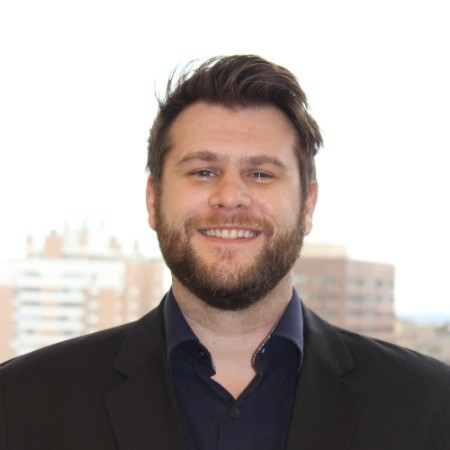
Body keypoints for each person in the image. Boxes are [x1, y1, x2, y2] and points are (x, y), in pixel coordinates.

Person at [0, 55, 449, 450]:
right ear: (153, 200)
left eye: (260, 174)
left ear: (308, 206)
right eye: (203, 171)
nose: (230, 197)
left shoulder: (430, 407)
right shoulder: (21, 402)